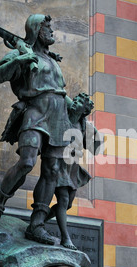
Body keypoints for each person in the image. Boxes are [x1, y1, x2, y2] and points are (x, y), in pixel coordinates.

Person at [0, 14, 80, 246]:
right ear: (36, 30)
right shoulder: (21, 51)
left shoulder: (53, 60)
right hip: (35, 112)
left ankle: (37, 225)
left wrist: (76, 109)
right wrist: (22, 59)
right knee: (26, 162)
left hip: (59, 117)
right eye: (47, 28)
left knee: (52, 171)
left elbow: (60, 91)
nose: (52, 31)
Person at [44, 93, 98, 250]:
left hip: (73, 168)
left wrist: (92, 132)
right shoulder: (64, 116)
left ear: (85, 110)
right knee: (63, 200)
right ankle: (65, 238)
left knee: (67, 204)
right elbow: (61, 94)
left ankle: (40, 219)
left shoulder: (82, 125)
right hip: (59, 163)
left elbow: (96, 147)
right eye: (76, 100)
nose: (76, 102)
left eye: (80, 102)